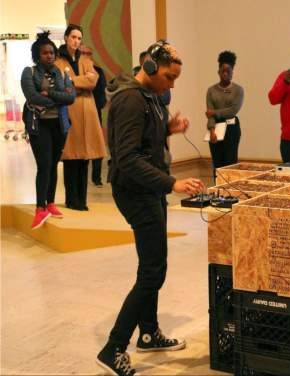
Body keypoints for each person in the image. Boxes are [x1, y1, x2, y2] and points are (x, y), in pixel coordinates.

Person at [97, 40, 204, 376]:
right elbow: (127, 158)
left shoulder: (150, 97)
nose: (172, 84)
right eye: (170, 77)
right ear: (152, 68)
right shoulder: (130, 100)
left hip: (149, 189)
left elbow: (145, 141)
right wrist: (171, 183)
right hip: (135, 192)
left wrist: (168, 129)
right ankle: (114, 347)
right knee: (153, 271)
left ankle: (148, 332)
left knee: (152, 265)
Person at [20, 31, 75, 229]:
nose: (50, 56)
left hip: (60, 125)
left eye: (52, 52)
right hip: (39, 125)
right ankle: (40, 208)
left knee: (53, 165)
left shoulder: (60, 72)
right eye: (45, 53)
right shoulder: (29, 72)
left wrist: (50, 94)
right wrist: (58, 98)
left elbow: (71, 98)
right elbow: (32, 97)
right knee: (44, 165)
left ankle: (50, 203)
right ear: (37, 55)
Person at [55, 24, 107, 211]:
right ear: (66, 37)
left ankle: (82, 201)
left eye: (79, 38)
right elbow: (61, 84)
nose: (76, 41)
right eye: (73, 37)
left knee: (85, 158)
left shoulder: (86, 59)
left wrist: (73, 82)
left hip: (88, 113)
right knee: (71, 159)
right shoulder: (58, 61)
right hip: (70, 112)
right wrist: (81, 81)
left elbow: (93, 81)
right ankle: (72, 200)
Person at [206, 50, 244, 177]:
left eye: (229, 71)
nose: (226, 74)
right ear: (219, 72)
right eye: (223, 71)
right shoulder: (211, 91)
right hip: (215, 129)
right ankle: (218, 194)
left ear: (233, 72)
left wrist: (214, 112)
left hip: (232, 128)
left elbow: (233, 110)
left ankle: (230, 195)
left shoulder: (238, 90)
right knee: (217, 165)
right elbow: (209, 114)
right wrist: (211, 131)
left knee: (230, 165)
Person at [87, 47, 108, 188]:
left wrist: (94, 106)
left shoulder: (98, 71)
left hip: (94, 113)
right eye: (82, 53)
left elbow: (103, 94)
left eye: (88, 54)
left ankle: (96, 177)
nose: (85, 56)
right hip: (76, 114)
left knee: (96, 144)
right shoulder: (71, 70)